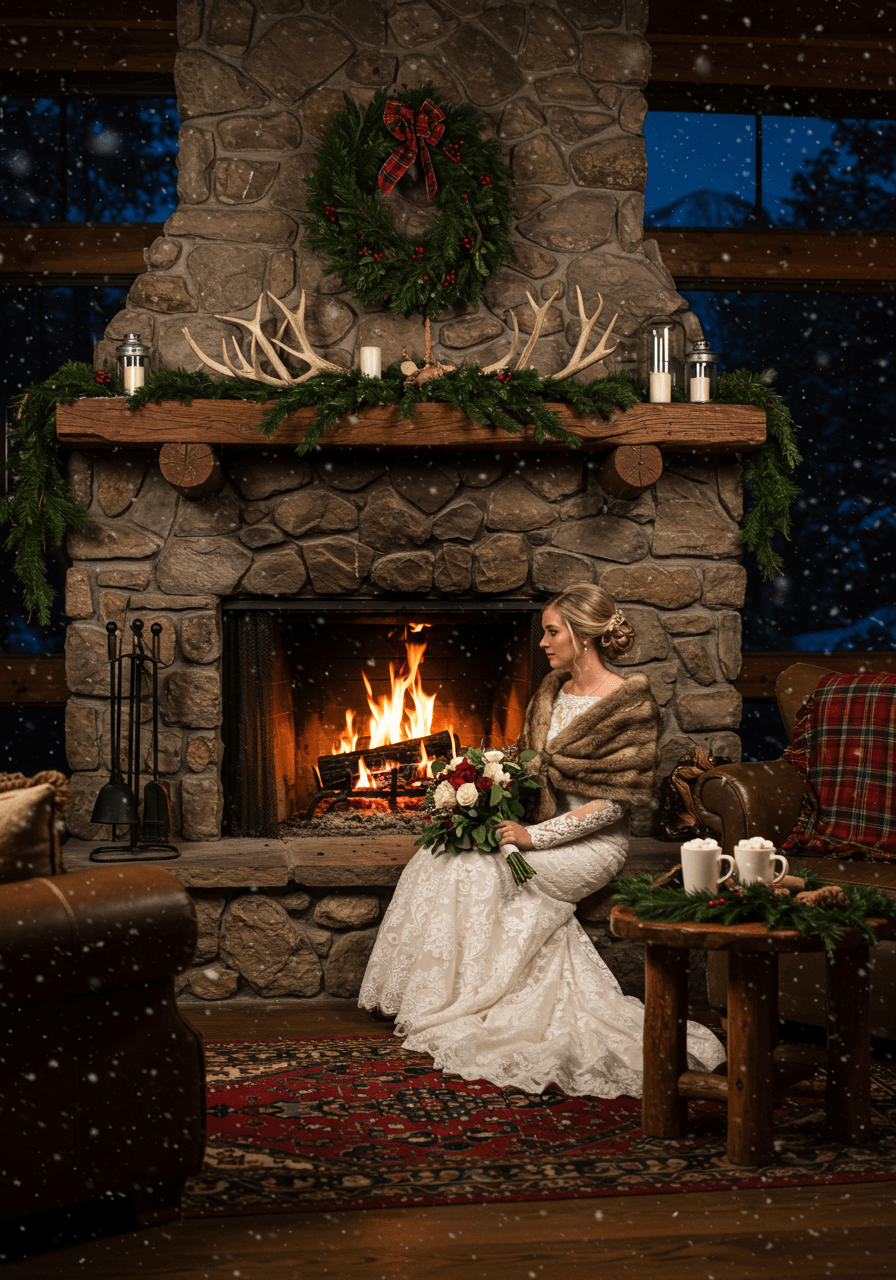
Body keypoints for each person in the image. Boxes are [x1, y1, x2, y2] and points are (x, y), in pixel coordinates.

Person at [358, 583, 726, 1096]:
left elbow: (613, 805)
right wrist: (484, 792)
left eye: (552, 632)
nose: (544, 643)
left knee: (481, 867)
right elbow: (526, 766)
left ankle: (480, 997)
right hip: (534, 827)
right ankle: (441, 995)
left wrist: (533, 837)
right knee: (445, 853)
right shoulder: (550, 691)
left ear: (582, 635)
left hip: (591, 844)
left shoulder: (629, 704)